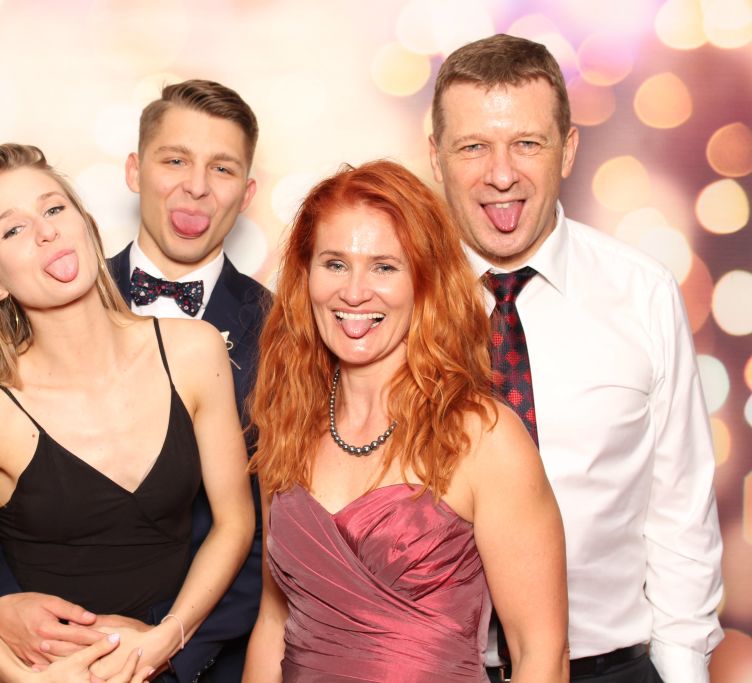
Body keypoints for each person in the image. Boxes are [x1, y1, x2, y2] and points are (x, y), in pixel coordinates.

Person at [427, 34, 724, 683]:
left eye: (527, 144)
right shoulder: (391, 302)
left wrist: (683, 673)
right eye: (473, 146)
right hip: (436, 669)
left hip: (610, 667)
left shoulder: (642, 292)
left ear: (567, 149)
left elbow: (681, 511)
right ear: (435, 156)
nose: (500, 174)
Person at [0, 81, 270, 682]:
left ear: (247, 192)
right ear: (134, 170)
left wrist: (167, 647)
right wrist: (0, 601)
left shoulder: (288, 334)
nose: (196, 186)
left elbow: (281, 527)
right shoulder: (44, 284)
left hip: (205, 661)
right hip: (51, 661)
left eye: (222, 168)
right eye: (174, 160)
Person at [242, 159, 568, 682]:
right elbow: (274, 621)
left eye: (384, 267)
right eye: (335, 264)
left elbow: (540, 654)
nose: (354, 292)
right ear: (305, 276)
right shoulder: (286, 422)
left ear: (426, 281)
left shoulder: (485, 437)